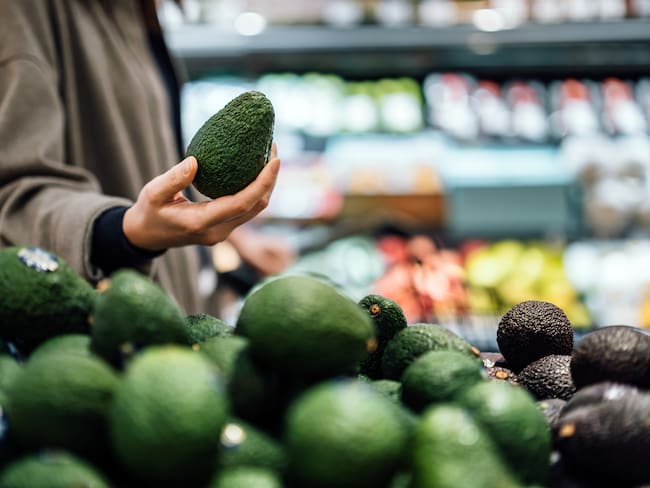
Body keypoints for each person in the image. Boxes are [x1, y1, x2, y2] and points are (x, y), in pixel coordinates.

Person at [0, 0, 295, 315]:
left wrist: (234, 239)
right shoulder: (23, 10)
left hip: (168, 310)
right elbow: (13, 194)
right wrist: (128, 230)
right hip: (102, 329)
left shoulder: (135, 10)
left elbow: (156, 157)